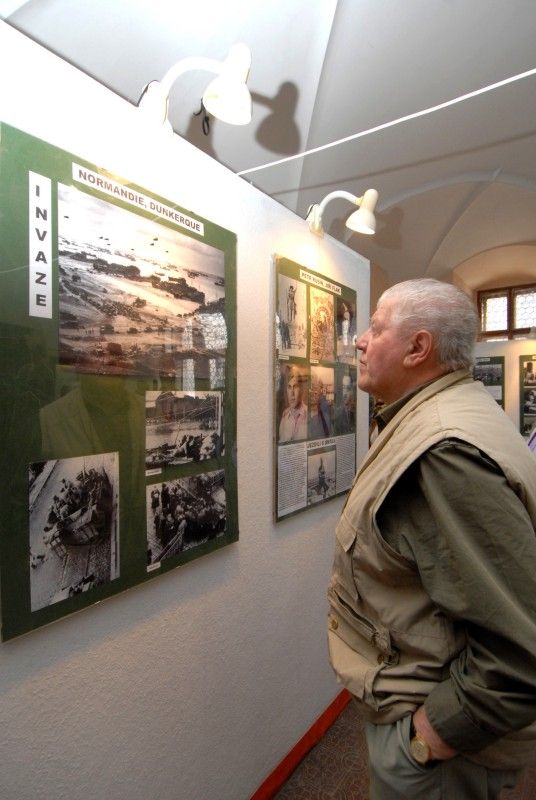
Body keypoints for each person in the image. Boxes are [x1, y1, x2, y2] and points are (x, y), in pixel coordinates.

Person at [327, 278, 536, 800]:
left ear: (418, 348)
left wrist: (428, 738)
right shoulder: (438, 417)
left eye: (375, 328)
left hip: (441, 750)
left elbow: (519, 651)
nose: (360, 341)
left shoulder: (443, 452)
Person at [279, 366, 308, 442]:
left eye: (295, 387)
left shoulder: (309, 414)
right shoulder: (285, 415)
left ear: (301, 390)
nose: (291, 393)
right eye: (289, 387)